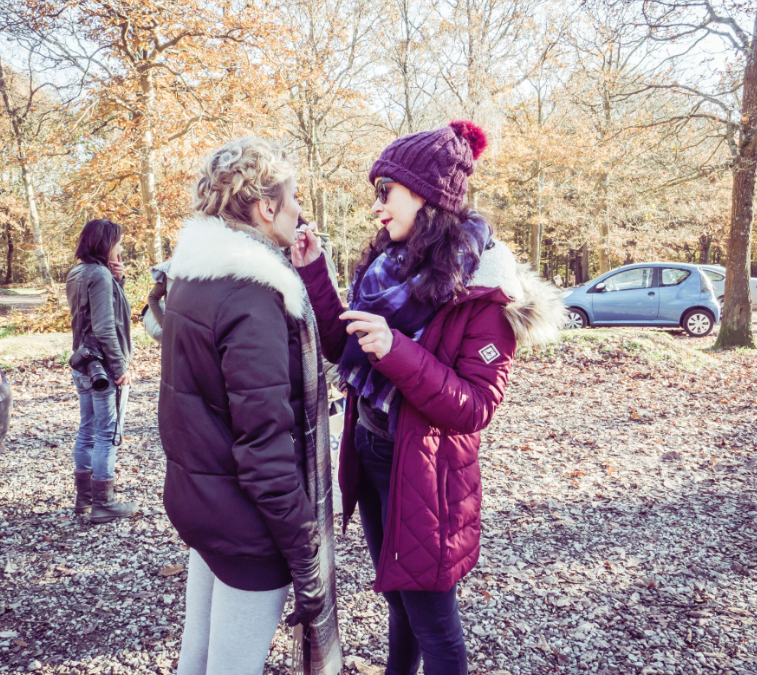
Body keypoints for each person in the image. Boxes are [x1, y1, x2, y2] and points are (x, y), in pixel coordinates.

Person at [293, 121, 566, 675]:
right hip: (371, 452)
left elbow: (474, 407)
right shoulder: (385, 268)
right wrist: (312, 270)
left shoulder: (486, 293)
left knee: (435, 624)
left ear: (426, 195)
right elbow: (341, 343)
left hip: (426, 471)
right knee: (400, 597)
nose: (377, 207)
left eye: (384, 192)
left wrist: (396, 350)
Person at [158, 136, 341, 675]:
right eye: (294, 199)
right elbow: (265, 449)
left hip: (203, 503)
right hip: (246, 526)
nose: (300, 211)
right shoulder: (253, 296)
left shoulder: (193, 276)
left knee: (198, 656)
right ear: (266, 207)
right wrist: (306, 552)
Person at [66, 218, 138, 523]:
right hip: (104, 368)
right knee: (107, 432)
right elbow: (106, 326)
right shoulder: (98, 275)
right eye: (118, 242)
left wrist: (117, 281)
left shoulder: (78, 272)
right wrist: (121, 366)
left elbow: (94, 313)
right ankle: (104, 503)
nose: (120, 248)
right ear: (105, 244)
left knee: (87, 427)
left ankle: (84, 500)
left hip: (83, 362)